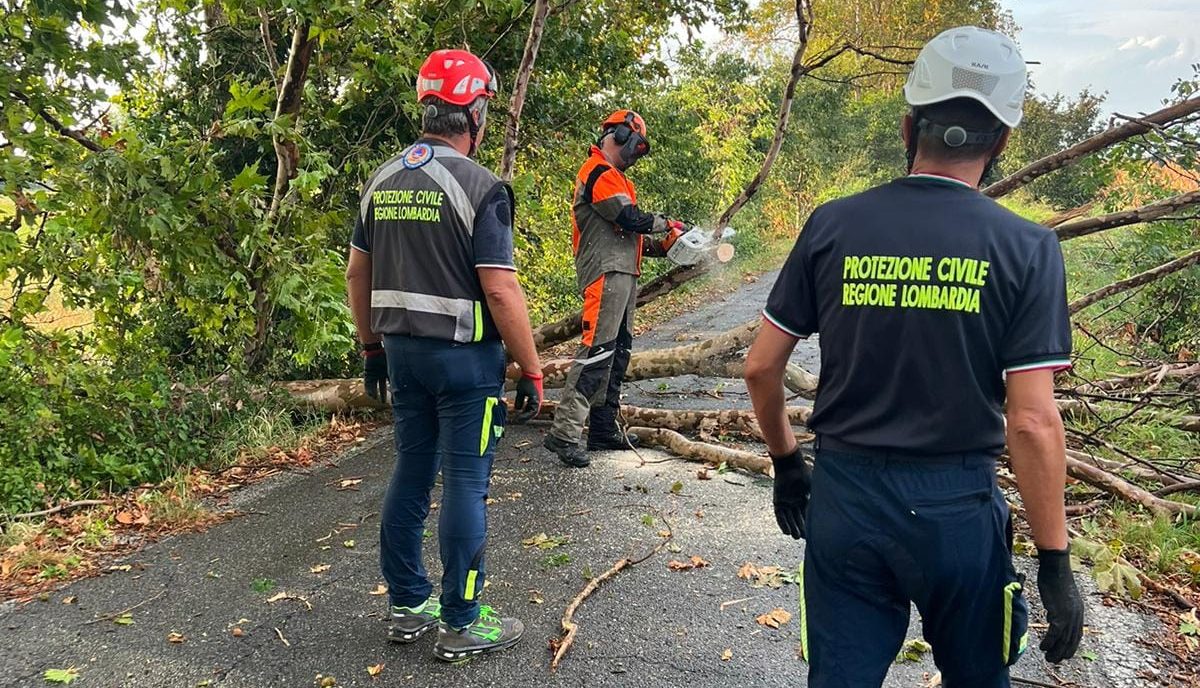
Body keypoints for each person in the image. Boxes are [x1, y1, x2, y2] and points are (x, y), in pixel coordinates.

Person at [743, 26, 1085, 688]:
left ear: (909, 127)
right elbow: (1032, 421)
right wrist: (1054, 559)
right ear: (1001, 142)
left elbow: (760, 367)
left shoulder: (833, 224)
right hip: (957, 512)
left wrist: (787, 464)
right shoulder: (1028, 248)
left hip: (845, 503)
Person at [345, 48, 544, 662]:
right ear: (475, 112)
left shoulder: (381, 181)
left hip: (401, 355)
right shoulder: (482, 187)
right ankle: (462, 620)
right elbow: (500, 288)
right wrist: (532, 368)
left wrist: (370, 348)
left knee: (411, 470)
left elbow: (357, 274)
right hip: (464, 363)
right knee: (465, 482)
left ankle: (408, 605)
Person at [543, 110, 688, 467]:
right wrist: (666, 223)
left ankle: (603, 428)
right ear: (620, 135)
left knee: (617, 353)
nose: (636, 154)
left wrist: (666, 245)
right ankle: (564, 433)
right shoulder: (597, 172)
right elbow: (628, 218)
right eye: (635, 145)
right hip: (605, 273)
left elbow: (629, 235)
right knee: (597, 351)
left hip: (623, 273)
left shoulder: (618, 179)